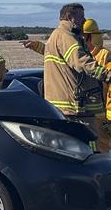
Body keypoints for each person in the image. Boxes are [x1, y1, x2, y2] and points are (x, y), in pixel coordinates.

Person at [21, 18, 111, 153]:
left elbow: (100, 76)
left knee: (99, 142)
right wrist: (37, 46)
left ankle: (100, 162)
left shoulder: (103, 55)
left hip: (98, 107)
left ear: (88, 36)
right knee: (89, 141)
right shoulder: (78, 48)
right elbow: (59, 52)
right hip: (87, 106)